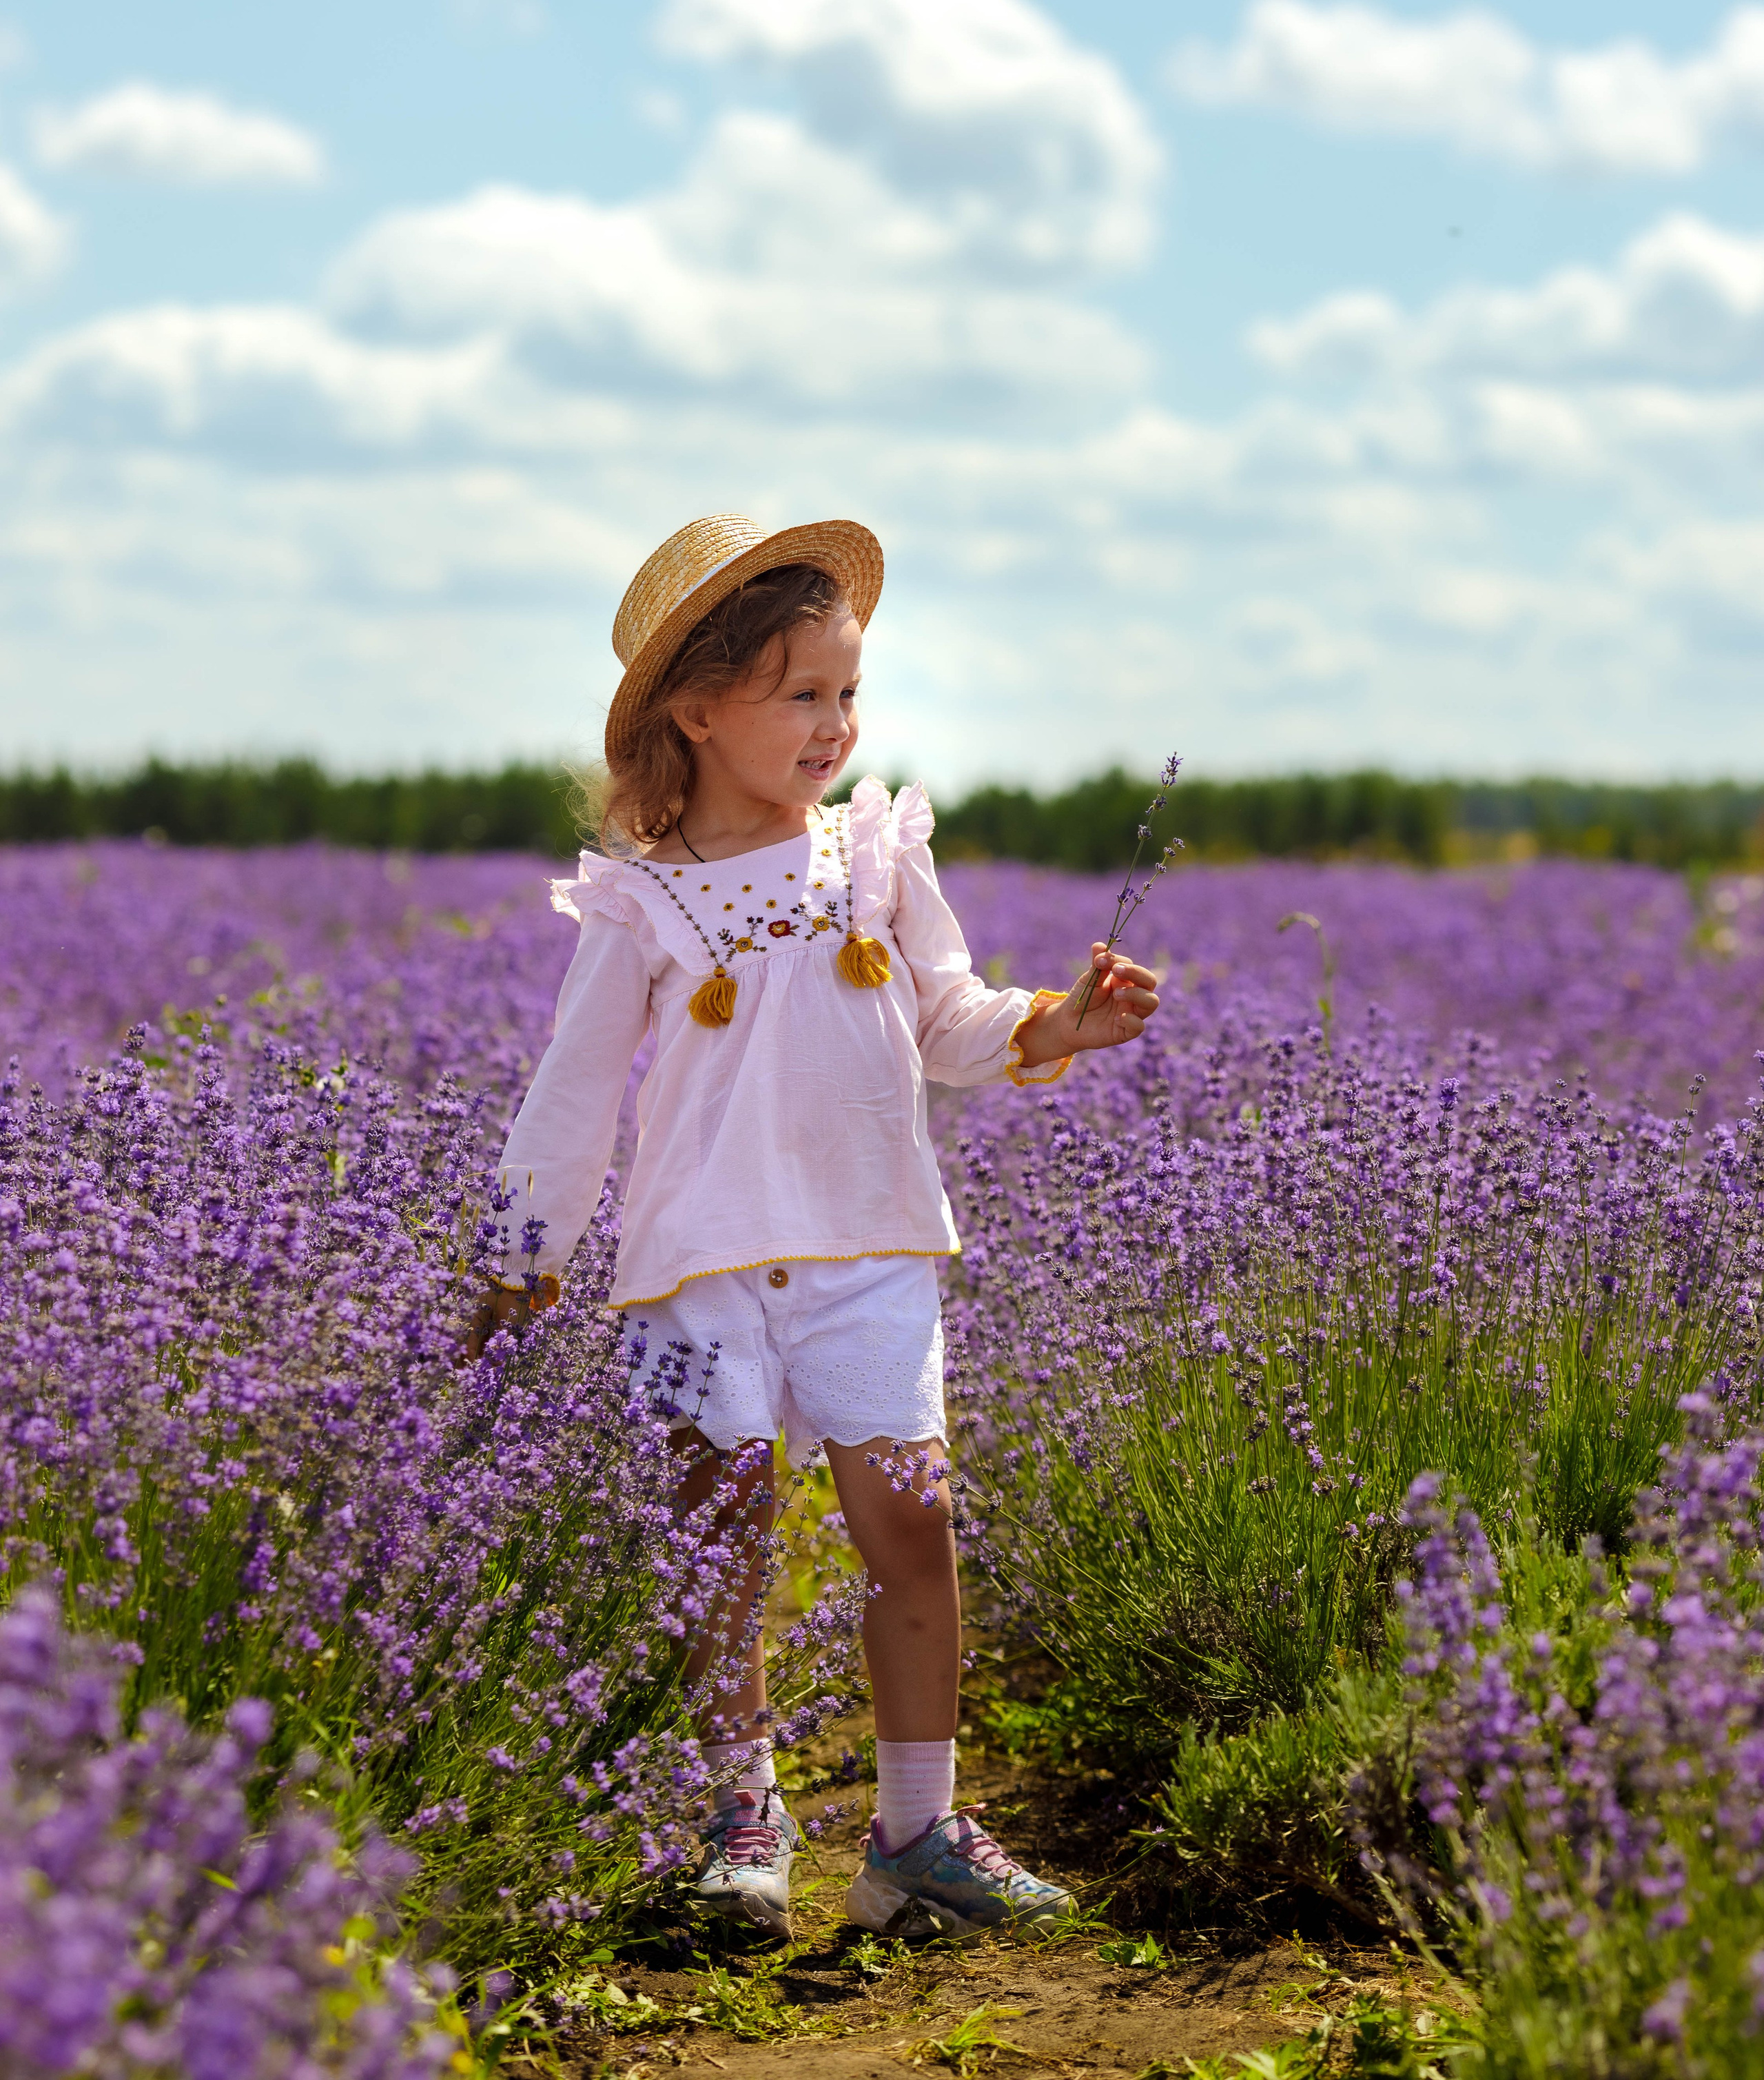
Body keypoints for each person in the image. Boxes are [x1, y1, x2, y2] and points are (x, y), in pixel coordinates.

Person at [481, 513, 1161, 1941]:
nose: (834, 725)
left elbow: (951, 1022)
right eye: (802, 695)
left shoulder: (877, 852)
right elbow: (575, 1093)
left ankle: (915, 1831)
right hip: (698, 1264)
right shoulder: (644, 897)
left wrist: (1063, 1023)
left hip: (869, 1254)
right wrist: (522, 1252)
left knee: (909, 1529)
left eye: (846, 694)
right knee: (718, 1544)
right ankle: (743, 1818)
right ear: (698, 708)